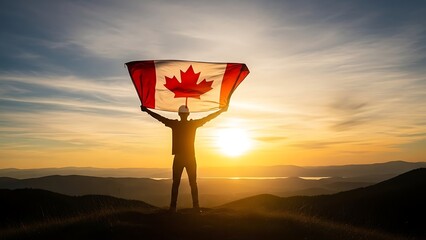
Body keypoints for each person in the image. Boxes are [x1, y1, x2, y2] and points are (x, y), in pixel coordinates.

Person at [141, 104, 227, 212]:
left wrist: (147, 110)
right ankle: (196, 207)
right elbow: (208, 118)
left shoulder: (175, 124)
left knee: (175, 183)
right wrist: (221, 111)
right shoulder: (193, 124)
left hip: (179, 157)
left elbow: (160, 118)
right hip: (191, 157)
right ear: (188, 114)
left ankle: (173, 208)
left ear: (179, 114)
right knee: (193, 183)